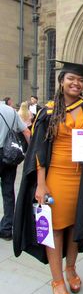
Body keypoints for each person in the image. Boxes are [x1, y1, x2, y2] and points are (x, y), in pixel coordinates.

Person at [13, 61, 83, 294]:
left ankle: (71, 267)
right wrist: (40, 185)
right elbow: (39, 150)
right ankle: (57, 280)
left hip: (81, 178)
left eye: (80, 80)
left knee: (77, 225)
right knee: (55, 228)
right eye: (71, 79)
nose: (76, 83)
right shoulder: (49, 111)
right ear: (61, 81)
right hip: (55, 177)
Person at [0, 103, 30, 240]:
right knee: (8, 191)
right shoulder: (11, 111)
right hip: (9, 154)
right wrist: (31, 152)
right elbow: (26, 131)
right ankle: (7, 228)